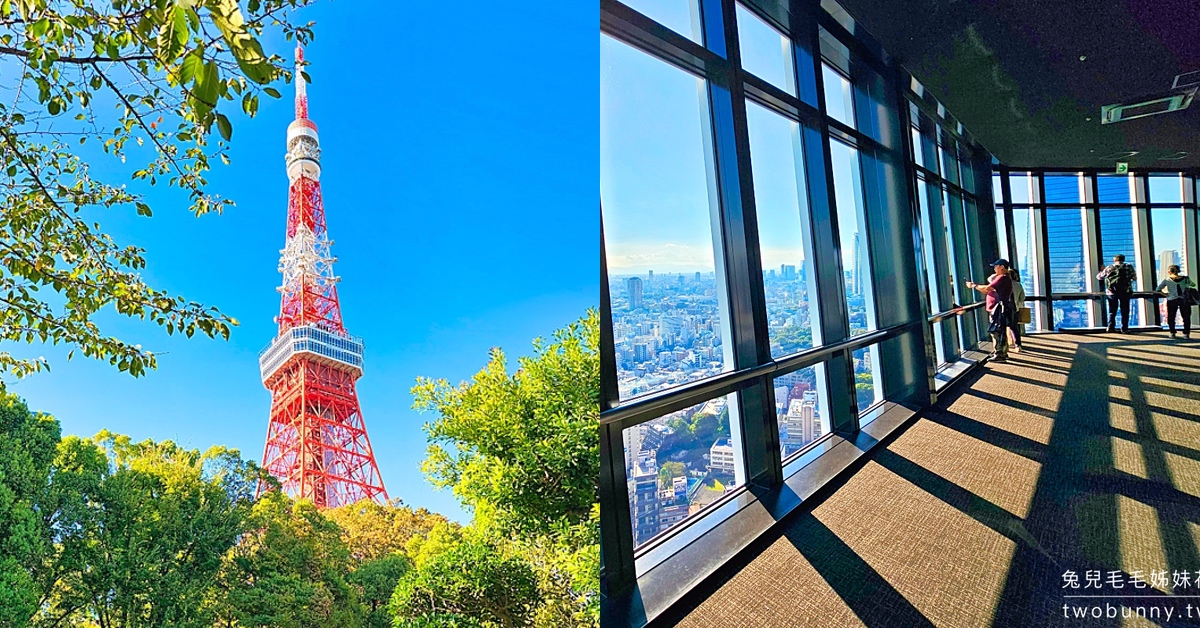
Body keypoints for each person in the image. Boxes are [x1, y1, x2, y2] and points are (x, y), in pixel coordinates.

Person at [966, 259, 1014, 362]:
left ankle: (999, 353)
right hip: (1000, 308)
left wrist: (974, 286)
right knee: (1000, 330)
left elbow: (987, 288)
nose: (994, 268)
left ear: (1002, 267)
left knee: (996, 331)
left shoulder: (1002, 278)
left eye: (996, 266)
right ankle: (1002, 352)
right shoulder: (1005, 278)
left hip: (997, 309)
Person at [1097, 254, 1136, 333]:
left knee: (1112, 310)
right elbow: (1134, 278)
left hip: (1112, 292)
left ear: (1114, 260)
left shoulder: (1109, 267)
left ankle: (1110, 327)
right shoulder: (1129, 266)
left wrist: (1102, 271)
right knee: (1125, 310)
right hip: (1125, 292)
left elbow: (1099, 277)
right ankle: (1124, 328)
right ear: (1123, 259)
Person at [1156, 264, 1196, 339]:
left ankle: (1172, 332)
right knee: (1186, 317)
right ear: (1178, 271)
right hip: (1184, 300)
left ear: (1169, 272)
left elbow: (1158, 289)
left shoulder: (1167, 280)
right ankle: (1186, 334)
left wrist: (1165, 294)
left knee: (1171, 317)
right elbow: (1193, 285)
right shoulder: (1185, 279)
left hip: (1171, 299)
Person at [1007, 267, 1025, 352]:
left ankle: (1004, 346)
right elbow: (1022, 298)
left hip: (1004, 309)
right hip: (1015, 309)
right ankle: (1018, 345)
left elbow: (990, 279)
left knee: (1002, 327)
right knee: (1014, 327)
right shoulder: (1018, 285)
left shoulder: (1004, 285)